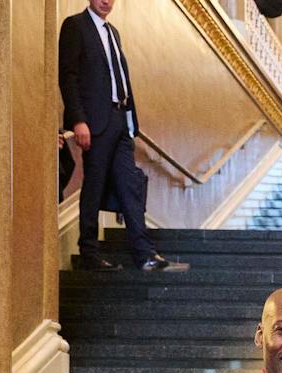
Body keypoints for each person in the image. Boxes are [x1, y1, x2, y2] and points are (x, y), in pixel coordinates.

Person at [57, 0, 187, 272]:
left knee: (130, 184)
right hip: (96, 123)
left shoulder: (113, 32)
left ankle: (145, 254)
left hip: (120, 121)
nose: (106, 1)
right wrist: (79, 120)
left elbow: (119, 78)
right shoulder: (75, 26)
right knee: (94, 186)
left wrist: (130, 122)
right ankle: (89, 252)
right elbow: (67, 76)